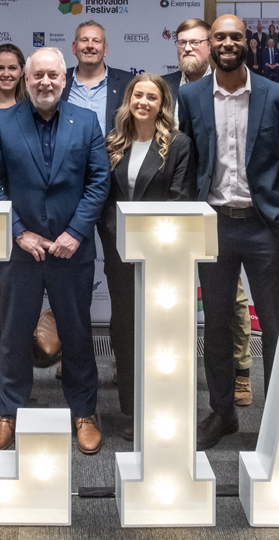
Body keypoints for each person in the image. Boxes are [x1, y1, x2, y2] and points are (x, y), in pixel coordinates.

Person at [177, 15, 279, 450]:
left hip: (264, 226)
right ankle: (222, 412)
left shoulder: (277, 95)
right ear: (209, 44)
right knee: (215, 324)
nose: (228, 43)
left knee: (274, 323)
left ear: (246, 42)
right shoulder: (190, 95)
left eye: (235, 36)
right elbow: (187, 160)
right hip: (213, 225)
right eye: (220, 37)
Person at [0, 47, 110, 455]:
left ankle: (84, 412)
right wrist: (20, 232)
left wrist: (75, 232)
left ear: (64, 78)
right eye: (38, 76)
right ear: (27, 79)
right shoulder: (3, 122)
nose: (45, 83)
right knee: (13, 335)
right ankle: (7, 411)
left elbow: (98, 183)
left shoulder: (86, 122)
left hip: (73, 250)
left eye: (53, 75)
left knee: (77, 334)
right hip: (22, 251)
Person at [163, 18, 256, 408]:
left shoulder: (235, 89)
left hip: (215, 206)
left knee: (230, 298)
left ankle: (241, 371)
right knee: (168, 291)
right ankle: (168, 368)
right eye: (182, 43)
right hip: (172, 203)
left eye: (196, 42)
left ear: (212, 47)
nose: (188, 49)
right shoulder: (163, 88)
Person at [99, 73, 195, 441]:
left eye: (151, 97)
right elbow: (105, 198)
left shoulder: (179, 145)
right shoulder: (113, 143)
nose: (143, 102)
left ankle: (163, 408)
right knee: (124, 328)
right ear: (128, 100)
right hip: (119, 250)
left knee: (160, 332)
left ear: (161, 104)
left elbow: (181, 198)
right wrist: (117, 233)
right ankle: (131, 409)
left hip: (162, 255)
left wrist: (148, 238)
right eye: (137, 95)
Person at [60, 20, 132, 136]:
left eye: (96, 41)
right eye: (84, 40)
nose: (90, 46)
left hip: (111, 154)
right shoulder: (58, 81)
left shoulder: (127, 83)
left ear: (105, 49)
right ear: (74, 47)